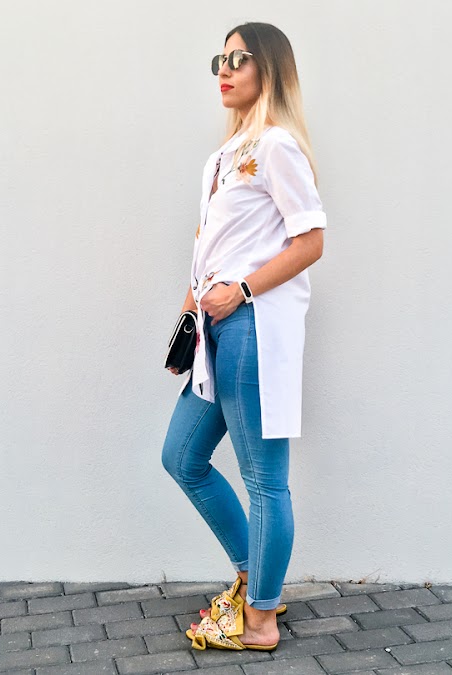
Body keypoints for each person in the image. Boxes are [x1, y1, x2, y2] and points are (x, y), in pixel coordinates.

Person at [161, 21, 326, 652]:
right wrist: (186, 323)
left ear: (270, 69)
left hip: (253, 328)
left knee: (264, 480)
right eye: (220, 60)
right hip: (214, 333)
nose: (225, 71)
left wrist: (244, 292)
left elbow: (311, 241)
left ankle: (260, 619)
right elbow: (208, 250)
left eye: (239, 59)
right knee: (182, 457)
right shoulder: (223, 157)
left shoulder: (277, 146)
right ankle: (253, 576)